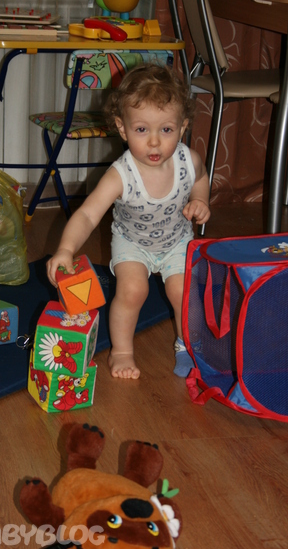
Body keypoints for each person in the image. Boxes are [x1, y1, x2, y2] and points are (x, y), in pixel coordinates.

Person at [46, 63, 210, 379]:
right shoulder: (120, 175)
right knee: (133, 290)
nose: (154, 142)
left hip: (177, 240)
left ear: (182, 127)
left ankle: (187, 345)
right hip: (132, 243)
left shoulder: (189, 161)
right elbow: (87, 215)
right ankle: (121, 351)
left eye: (166, 130)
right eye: (141, 130)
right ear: (122, 129)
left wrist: (201, 200)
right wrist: (66, 249)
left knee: (184, 293)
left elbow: (201, 179)